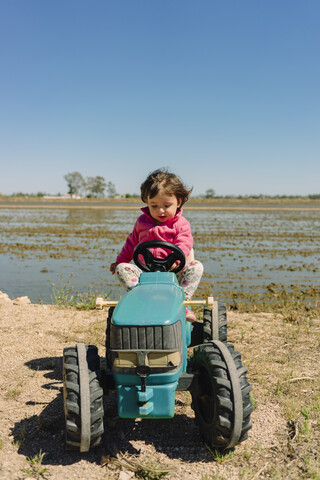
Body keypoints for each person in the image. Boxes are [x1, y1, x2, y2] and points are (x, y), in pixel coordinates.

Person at [110, 168, 203, 321]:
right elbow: (131, 243)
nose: (160, 210)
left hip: (174, 272)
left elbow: (184, 244)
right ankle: (141, 299)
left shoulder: (181, 224)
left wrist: (177, 260)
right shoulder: (142, 222)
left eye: (166, 205)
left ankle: (181, 303)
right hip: (145, 273)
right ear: (147, 202)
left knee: (196, 267)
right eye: (154, 206)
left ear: (178, 202)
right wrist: (120, 261)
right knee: (122, 269)